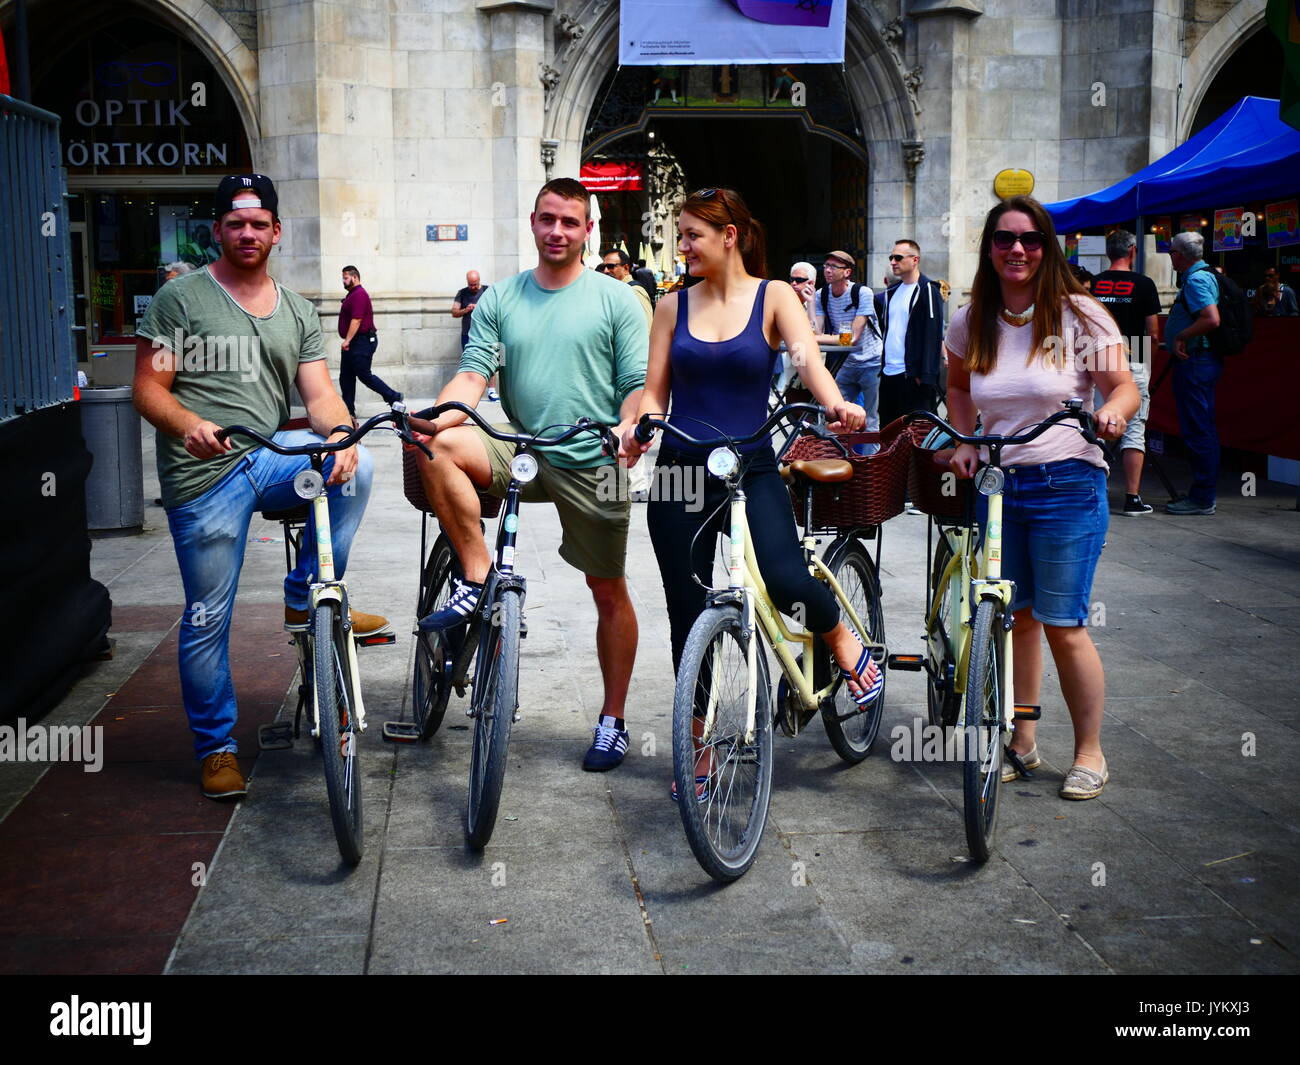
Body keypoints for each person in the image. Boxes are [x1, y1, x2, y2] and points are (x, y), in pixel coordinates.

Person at [133, 173, 389, 800]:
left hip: (271, 458)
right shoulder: (180, 300)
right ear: (217, 230)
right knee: (206, 615)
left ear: (276, 231)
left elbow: (320, 395)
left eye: (258, 223)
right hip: (205, 472)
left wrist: (342, 435)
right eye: (235, 223)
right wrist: (189, 424)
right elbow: (148, 387)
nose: (247, 233)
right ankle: (216, 748)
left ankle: (308, 594)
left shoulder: (297, 309)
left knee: (357, 469)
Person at [621, 188, 878, 800]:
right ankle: (698, 744)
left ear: (729, 235)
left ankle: (839, 636)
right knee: (687, 615)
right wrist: (636, 426)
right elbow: (655, 391)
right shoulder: (671, 306)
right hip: (682, 469)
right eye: (681, 235)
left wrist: (836, 403)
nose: (683, 246)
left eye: (693, 235)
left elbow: (808, 361)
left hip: (751, 464)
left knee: (787, 580)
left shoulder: (774, 295)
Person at [411, 178, 647, 772]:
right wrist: (436, 416)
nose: (557, 231)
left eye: (570, 221)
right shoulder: (501, 297)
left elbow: (635, 386)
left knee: (607, 589)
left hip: (594, 458)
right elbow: (474, 373)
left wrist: (628, 427)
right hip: (521, 446)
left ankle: (613, 719)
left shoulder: (617, 299)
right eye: (548, 219)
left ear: (588, 229)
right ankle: (476, 571)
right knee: (435, 445)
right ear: (533, 222)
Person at [944, 195, 1138, 801]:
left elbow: (1124, 386)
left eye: (1030, 239)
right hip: (998, 487)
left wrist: (1111, 411)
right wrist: (965, 440)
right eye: (1005, 238)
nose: (1017, 250)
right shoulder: (971, 318)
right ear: (989, 248)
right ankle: (1022, 740)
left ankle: (1090, 752)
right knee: (1016, 619)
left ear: (1046, 247)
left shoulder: (1080, 315)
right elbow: (957, 387)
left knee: (1063, 624)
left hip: (1066, 483)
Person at [1088, 229, 1161, 516]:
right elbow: (1153, 333)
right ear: (1132, 251)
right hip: (1134, 355)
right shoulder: (1144, 284)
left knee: (1094, 425)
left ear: (1108, 253)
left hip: (1097, 358)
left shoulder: (1094, 283)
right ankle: (1132, 497)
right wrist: (1147, 366)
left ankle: (1095, 490)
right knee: (1134, 429)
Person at [1164, 231, 1223, 516]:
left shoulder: (1197, 280)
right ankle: (1203, 493)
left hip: (1196, 362)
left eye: (1172, 252)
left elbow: (1211, 318)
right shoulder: (1200, 276)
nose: (1170, 257)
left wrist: (1181, 336)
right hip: (1199, 361)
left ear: (1181, 255)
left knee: (1198, 429)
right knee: (1202, 427)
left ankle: (1202, 497)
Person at [875, 239, 945, 427]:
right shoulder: (891, 292)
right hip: (889, 373)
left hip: (913, 376)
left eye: (898, 258)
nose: (893, 262)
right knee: (888, 431)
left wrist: (927, 376)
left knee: (917, 433)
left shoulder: (928, 289)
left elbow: (933, 335)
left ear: (915, 260)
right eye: (891, 257)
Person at [815, 250, 882, 437]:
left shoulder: (862, 293)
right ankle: (832, 453)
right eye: (826, 266)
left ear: (847, 272)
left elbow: (851, 339)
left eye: (833, 266)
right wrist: (810, 300)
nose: (828, 270)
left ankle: (871, 455)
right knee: (834, 415)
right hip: (845, 363)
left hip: (871, 361)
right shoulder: (821, 294)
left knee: (870, 418)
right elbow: (816, 332)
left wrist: (816, 338)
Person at [338, 265, 401, 417]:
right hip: (354, 342)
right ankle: (349, 413)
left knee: (364, 375)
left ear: (355, 277)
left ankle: (393, 396)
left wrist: (347, 340)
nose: (343, 281)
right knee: (346, 378)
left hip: (361, 341)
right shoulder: (353, 294)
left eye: (346, 278)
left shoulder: (359, 294)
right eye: (343, 278)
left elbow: (357, 319)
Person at [602, 248, 654, 327]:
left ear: (626, 268)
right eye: (603, 267)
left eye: (610, 266)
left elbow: (647, 325)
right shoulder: (619, 289)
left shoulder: (634, 290)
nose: (606, 270)